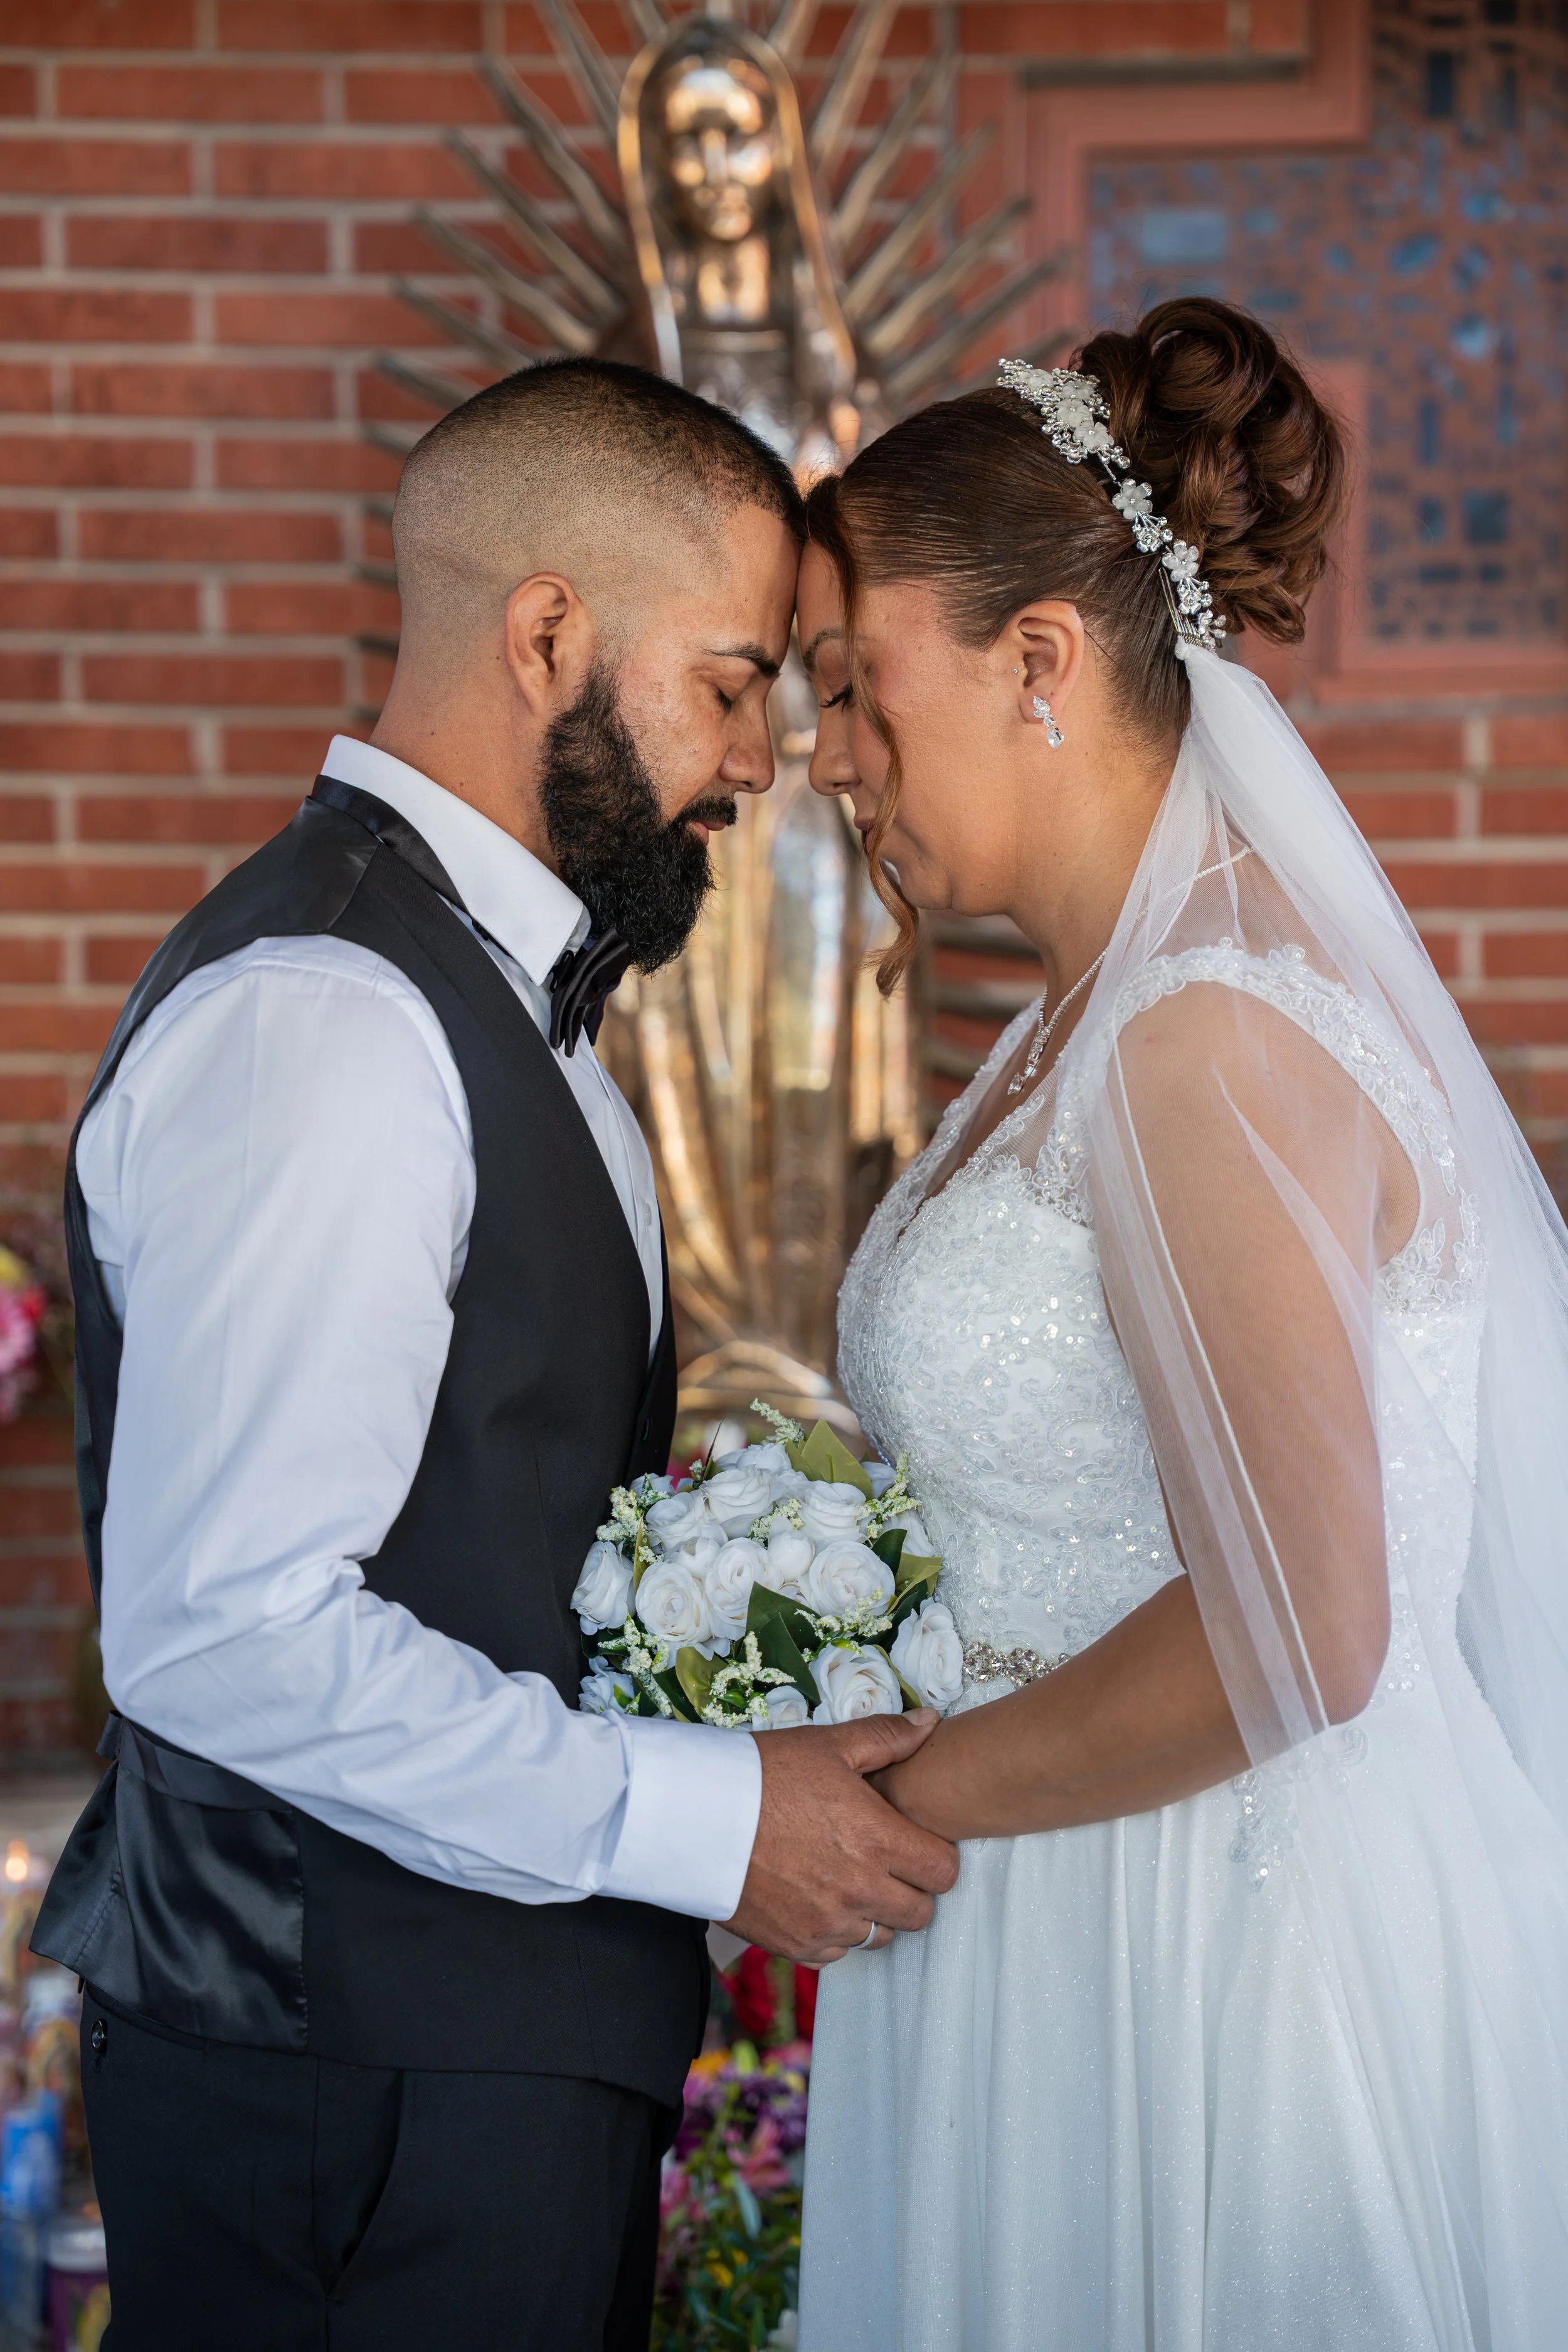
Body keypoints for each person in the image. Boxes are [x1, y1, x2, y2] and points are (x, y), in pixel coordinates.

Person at [32, 358, 956, 2352]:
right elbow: (226, 1630)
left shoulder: (495, 1000)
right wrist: (722, 1816)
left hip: (463, 2074)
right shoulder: (333, 1021)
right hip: (346, 2083)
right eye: (728, 681)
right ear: (549, 633)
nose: (757, 762)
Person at [793, 299, 1568, 2348]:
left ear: (1037, 660)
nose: (823, 756)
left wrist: (888, 1804)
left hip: (1203, 1949)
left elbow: (1302, 1622)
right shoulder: (1091, 1014)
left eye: (855, 685)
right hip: (1070, 1872)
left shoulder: (1197, 1038)